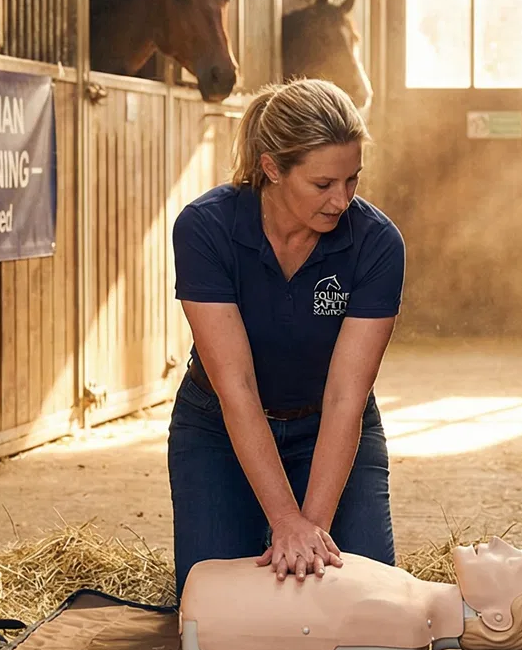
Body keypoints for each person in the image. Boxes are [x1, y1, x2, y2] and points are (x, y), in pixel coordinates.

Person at [168, 79, 405, 595]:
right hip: (218, 426)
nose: (342, 200)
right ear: (272, 168)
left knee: (367, 602)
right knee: (213, 606)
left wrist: (310, 532)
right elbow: (236, 387)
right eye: (323, 184)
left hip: (331, 425)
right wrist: (283, 519)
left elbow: (345, 397)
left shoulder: (378, 242)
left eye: (352, 179)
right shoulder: (204, 228)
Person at [179, 537, 522, 650]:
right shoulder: (408, 596)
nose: (500, 543)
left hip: (208, 607)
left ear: (497, 619)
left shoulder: (405, 626)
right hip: (210, 586)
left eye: (513, 562)